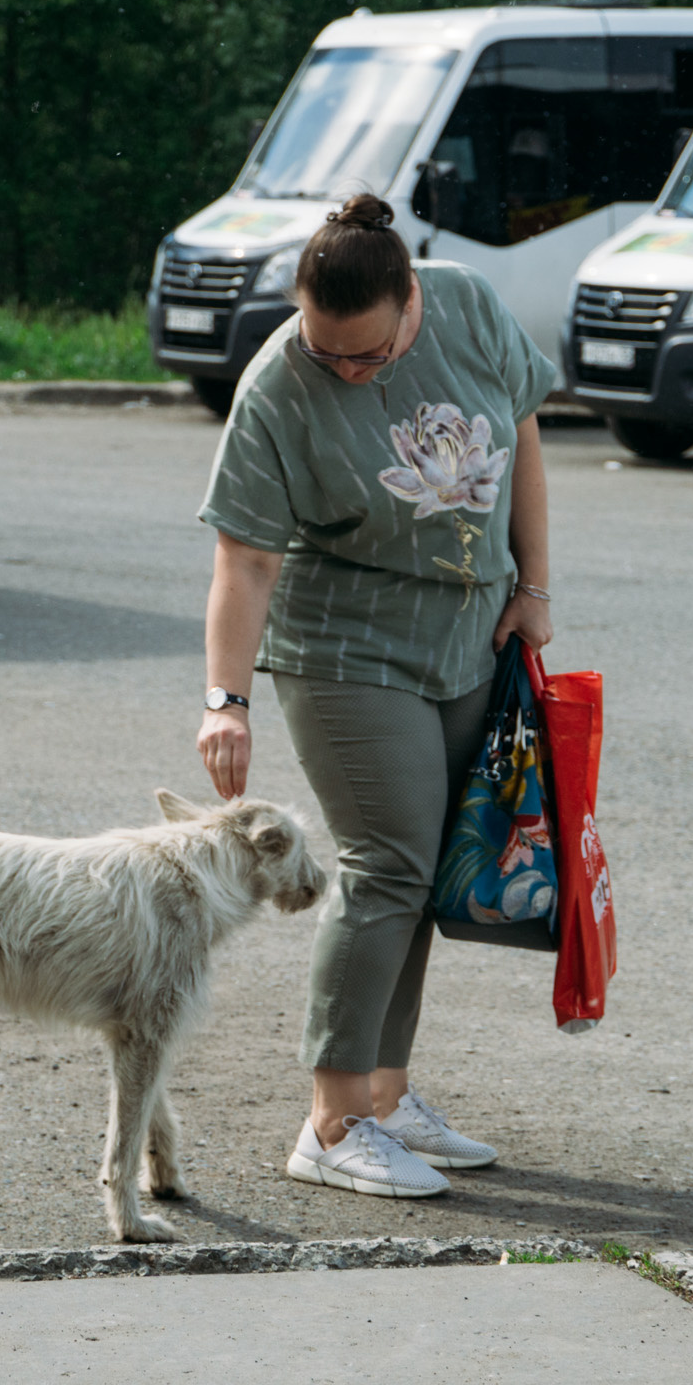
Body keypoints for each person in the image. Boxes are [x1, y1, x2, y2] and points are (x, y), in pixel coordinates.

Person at [195, 193, 559, 1200]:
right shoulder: (279, 384)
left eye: (367, 354)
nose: (345, 370)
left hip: (468, 636)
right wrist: (226, 696)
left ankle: (387, 1095)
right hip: (346, 649)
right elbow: (243, 558)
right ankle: (332, 1117)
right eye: (328, 352)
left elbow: (521, 431)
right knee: (385, 863)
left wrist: (531, 587)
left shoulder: (469, 306)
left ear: (411, 301)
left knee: (427, 873)